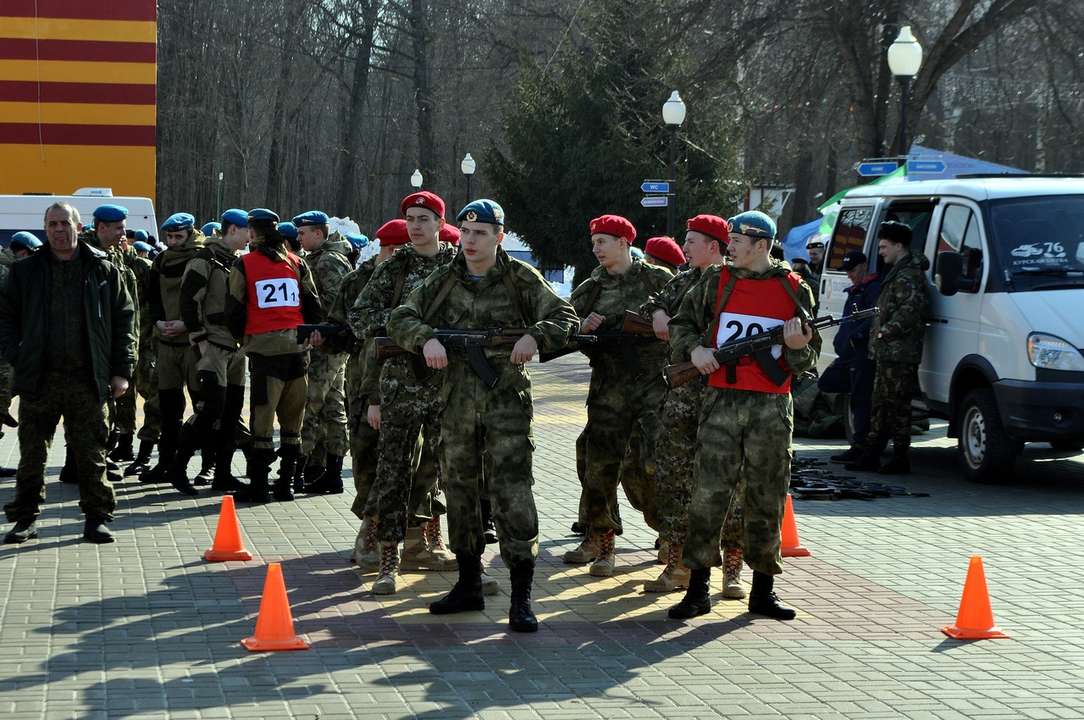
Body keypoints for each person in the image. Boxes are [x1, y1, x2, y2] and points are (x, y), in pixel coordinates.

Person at [388, 198, 578, 632]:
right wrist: (424, 340)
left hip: (506, 404)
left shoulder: (518, 278)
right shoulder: (444, 278)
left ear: (499, 237)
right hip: (456, 404)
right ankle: (469, 582)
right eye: (466, 233)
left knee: (512, 493)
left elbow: (565, 315)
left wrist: (536, 336)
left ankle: (522, 595)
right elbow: (401, 315)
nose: (470, 241)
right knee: (460, 490)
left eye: (480, 233)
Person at [666, 210, 819, 621]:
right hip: (721, 401)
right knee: (708, 494)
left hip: (770, 406)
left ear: (762, 245)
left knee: (767, 495)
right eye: (729, 238)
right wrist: (694, 351)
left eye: (738, 240)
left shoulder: (792, 288)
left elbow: (807, 356)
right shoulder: (715, 281)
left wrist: (797, 346)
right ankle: (697, 588)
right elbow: (682, 324)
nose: (729, 245)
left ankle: (763, 590)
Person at [0, 202, 136, 544]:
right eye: (52, 224)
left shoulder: (101, 268)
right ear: (45, 229)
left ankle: (97, 518)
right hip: (40, 379)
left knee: (92, 453)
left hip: (87, 377)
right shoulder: (26, 271)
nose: (59, 230)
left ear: (78, 226)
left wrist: (122, 371)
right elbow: (4, 318)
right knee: (32, 453)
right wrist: (17, 355)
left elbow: (125, 320)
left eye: (65, 223)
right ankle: (25, 518)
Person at [349, 191, 459, 595]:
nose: (415, 226)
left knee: (443, 468)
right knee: (394, 470)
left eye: (424, 219)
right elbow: (360, 319)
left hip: (450, 383)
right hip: (400, 381)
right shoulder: (394, 268)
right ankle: (388, 557)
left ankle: (434, 542)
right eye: (410, 218)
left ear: (439, 223)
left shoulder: (458, 265)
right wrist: (409, 328)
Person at [640, 214, 747, 598]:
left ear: (714, 246)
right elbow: (655, 302)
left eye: (691, 242)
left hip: (725, 398)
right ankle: (679, 563)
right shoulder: (683, 280)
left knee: (731, 485)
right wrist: (657, 314)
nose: (683, 248)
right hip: (683, 400)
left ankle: (732, 568)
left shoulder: (737, 283)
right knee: (676, 480)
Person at [564, 214, 672, 577]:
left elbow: (686, 322)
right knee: (600, 468)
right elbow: (559, 327)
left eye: (603, 242)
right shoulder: (592, 287)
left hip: (653, 389)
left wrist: (661, 323)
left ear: (625, 242)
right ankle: (603, 541)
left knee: (653, 463)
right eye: (593, 243)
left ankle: (670, 533)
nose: (596, 250)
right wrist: (580, 329)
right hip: (608, 389)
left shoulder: (659, 280)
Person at [312, 220, 406, 565]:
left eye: (401, 249)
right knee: (366, 454)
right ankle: (370, 526)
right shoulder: (357, 281)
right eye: (390, 250)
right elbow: (340, 329)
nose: (396, 256)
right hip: (364, 380)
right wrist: (327, 338)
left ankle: (406, 535)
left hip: (409, 380)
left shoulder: (419, 279)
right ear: (380, 249)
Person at [225, 209, 322, 503]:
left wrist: (243, 339)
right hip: (297, 350)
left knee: (263, 420)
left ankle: (259, 484)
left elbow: (235, 308)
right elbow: (313, 305)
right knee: (293, 421)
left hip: (266, 352)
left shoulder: (245, 264)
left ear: (253, 233)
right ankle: (287, 485)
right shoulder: (297, 263)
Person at [846, 222, 928, 474]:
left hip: (899, 352)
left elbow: (910, 310)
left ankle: (900, 457)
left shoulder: (908, 275)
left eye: (883, 246)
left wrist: (884, 332)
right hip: (888, 351)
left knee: (897, 406)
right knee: (881, 404)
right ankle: (872, 454)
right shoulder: (897, 271)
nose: (880, 251)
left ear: (898, 246)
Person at [179, 209, 250, 492]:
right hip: (213, 347)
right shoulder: (204, 259)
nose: (250, 236)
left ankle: (223, 473)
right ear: (232, 229)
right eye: (247, 230)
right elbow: (188, 299)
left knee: (231, 413)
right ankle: (178, 467)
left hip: (235, 349)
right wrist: (199, 338)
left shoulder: (237, 261)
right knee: (211, 409)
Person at [142, 213, 205, 495]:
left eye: (178, 237)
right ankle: (165, 462)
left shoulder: (203, 258)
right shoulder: (161, 260)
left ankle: (206, 465)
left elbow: (211, 298)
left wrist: (187, 324)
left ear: (190, 234)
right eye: (169, 237)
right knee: (168, 408)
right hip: (166, 341)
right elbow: (152, 296)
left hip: (194, 343)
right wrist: (158, 321)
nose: (172, 242)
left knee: (204, 408)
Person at [294, 210, 352, 494]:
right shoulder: (322, 258)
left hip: (327, 345)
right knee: (332, 408)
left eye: (303, 233)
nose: (299, 238)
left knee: (311, 406)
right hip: (330, 345)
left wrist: (319, 329)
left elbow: (334, 305)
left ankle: (298, 468)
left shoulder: (328, 261)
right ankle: (330, 473)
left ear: (318, 233)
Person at [828, 251, 880, 463]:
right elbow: (848, 321)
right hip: (851, 354)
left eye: (853, 270)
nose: (849, 274)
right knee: (833, 384)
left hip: (863, 353)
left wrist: (854, 339)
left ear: (864, 266)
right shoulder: (856, 290)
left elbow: (872, 319)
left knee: (861, 400)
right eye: (847, 270)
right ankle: (859, 445)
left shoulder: (873, 289)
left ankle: (861, 447)